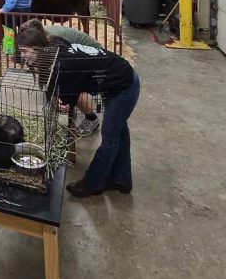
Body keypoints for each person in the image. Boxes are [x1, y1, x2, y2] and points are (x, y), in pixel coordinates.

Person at [16, 23, 140, 197]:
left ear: (37, 47)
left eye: (25, 51)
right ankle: (122, 180)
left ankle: (92, 184)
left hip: (124, 84)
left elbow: (66, 101)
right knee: (120, 131)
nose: (22, 57)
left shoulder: (64, 63)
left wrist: (60, 103)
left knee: (110, 137)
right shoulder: (53, 44)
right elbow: (52, 82)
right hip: (112, 80)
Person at [19, 19, 102, 136]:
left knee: (75, 88)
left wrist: (66, 100)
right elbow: (46, 73)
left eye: (24, 50)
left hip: (93, 53)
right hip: (78, 56)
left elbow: (66, 77)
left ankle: (92, 119)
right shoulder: (41, 42)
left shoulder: (54, 45)